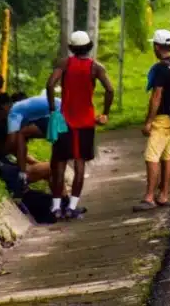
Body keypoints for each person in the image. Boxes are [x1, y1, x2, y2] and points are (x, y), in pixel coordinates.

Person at [45, 31, 114, 220]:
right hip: (86, 122)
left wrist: (52, 110)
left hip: (64, 121)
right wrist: (105, 113)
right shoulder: (96, 67)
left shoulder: (64, 64)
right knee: (80, 163)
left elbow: (50, 85)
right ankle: (72, 207)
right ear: (89, 46)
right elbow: (109, 89)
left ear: (72, 48)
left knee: (59, 163)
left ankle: (56, 208)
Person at [136, 29, 170, 211]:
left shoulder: (161, 68)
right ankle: (164, 195)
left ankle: (149, 197)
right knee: (167, 156)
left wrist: (149, 121)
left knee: (152, 157)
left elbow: (157, 96)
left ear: (156, 47)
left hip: (162, 118)